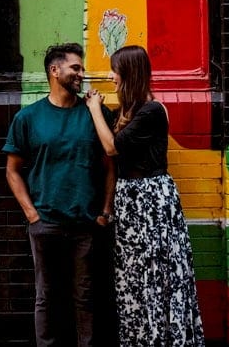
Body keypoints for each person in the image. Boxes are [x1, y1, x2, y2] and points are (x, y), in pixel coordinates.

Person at [85, 45, 206, 346]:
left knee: (156, 274)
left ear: (128, 73)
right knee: (134, 276)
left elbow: (113, 147)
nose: (111, 76)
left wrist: (92, 109)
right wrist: (98, 107)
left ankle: (161, 338)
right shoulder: (128, 112)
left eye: (115, 70)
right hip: (131, 201)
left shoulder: (151, 111)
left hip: (150, 201)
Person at [3, 42, 116, 346]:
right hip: (46, 223)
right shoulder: (28, 118)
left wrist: (105, 211)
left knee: (86, 296)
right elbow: (12, 170)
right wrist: (32, 214)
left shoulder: (93, 113)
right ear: (55, 71)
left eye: (81, 68)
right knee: (46, 296)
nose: (82, 73)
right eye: (75, 68)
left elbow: (109, 165)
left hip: (86, 224)